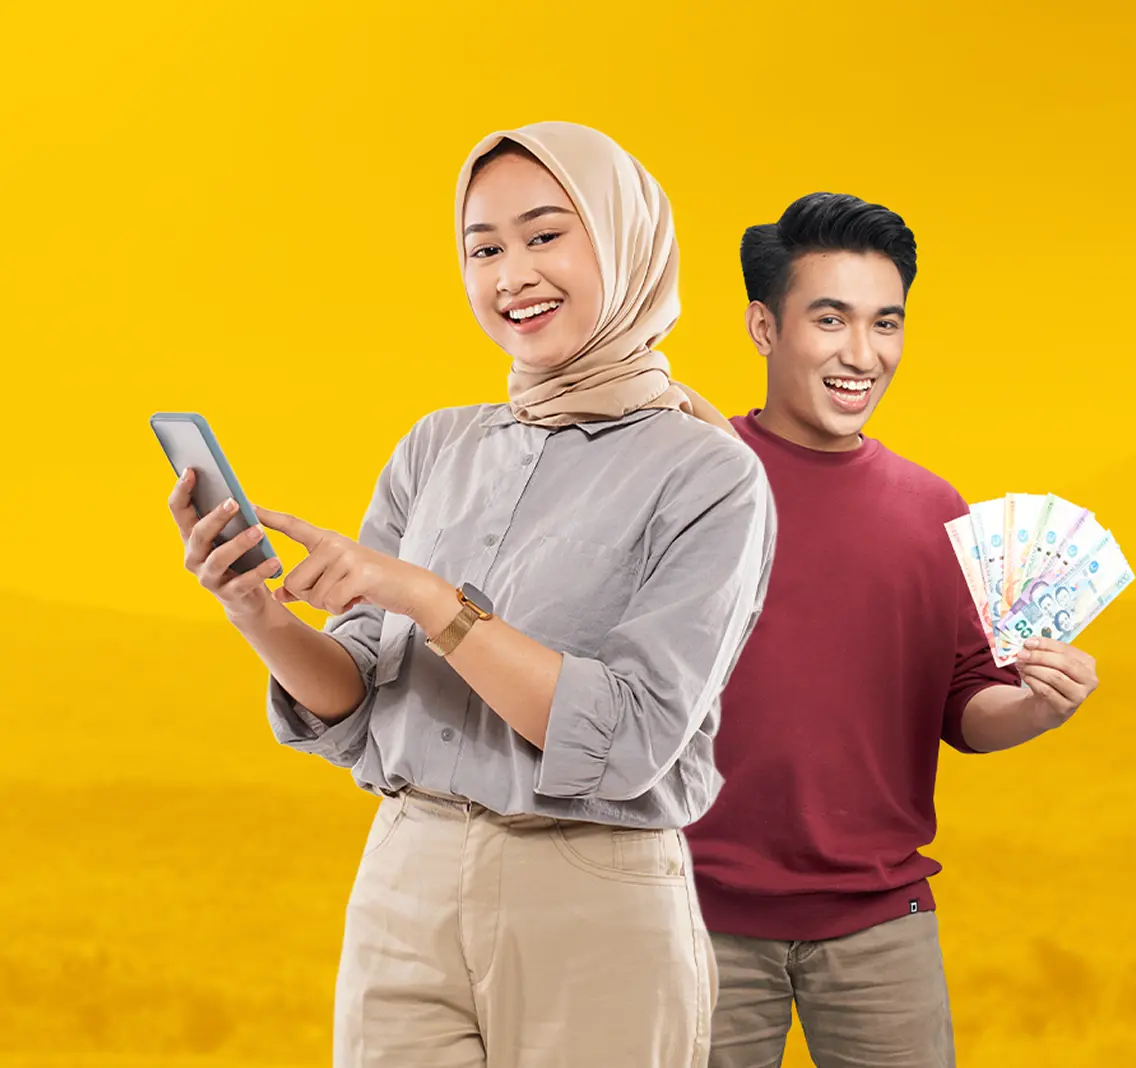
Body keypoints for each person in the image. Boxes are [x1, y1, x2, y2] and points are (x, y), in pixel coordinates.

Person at [166, 121, 775, 1068]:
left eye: (544, 236)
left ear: (625, 242)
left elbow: (628, 742)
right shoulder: (436, 447)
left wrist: (429, 598)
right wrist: (258, 610)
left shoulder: (708, 475)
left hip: (591, 894)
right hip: (406, 872)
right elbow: (355, 696)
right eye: (483, 248)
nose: (511, 275)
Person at [683, 192, 1101, 1068]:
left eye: (887, 323)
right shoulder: (691, 485)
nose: (862, 355)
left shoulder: (934, 510)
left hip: (882, 924)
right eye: (830, 319)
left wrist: (1035, 707)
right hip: (691, 914)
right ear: (763, 326)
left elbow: (966, 710)